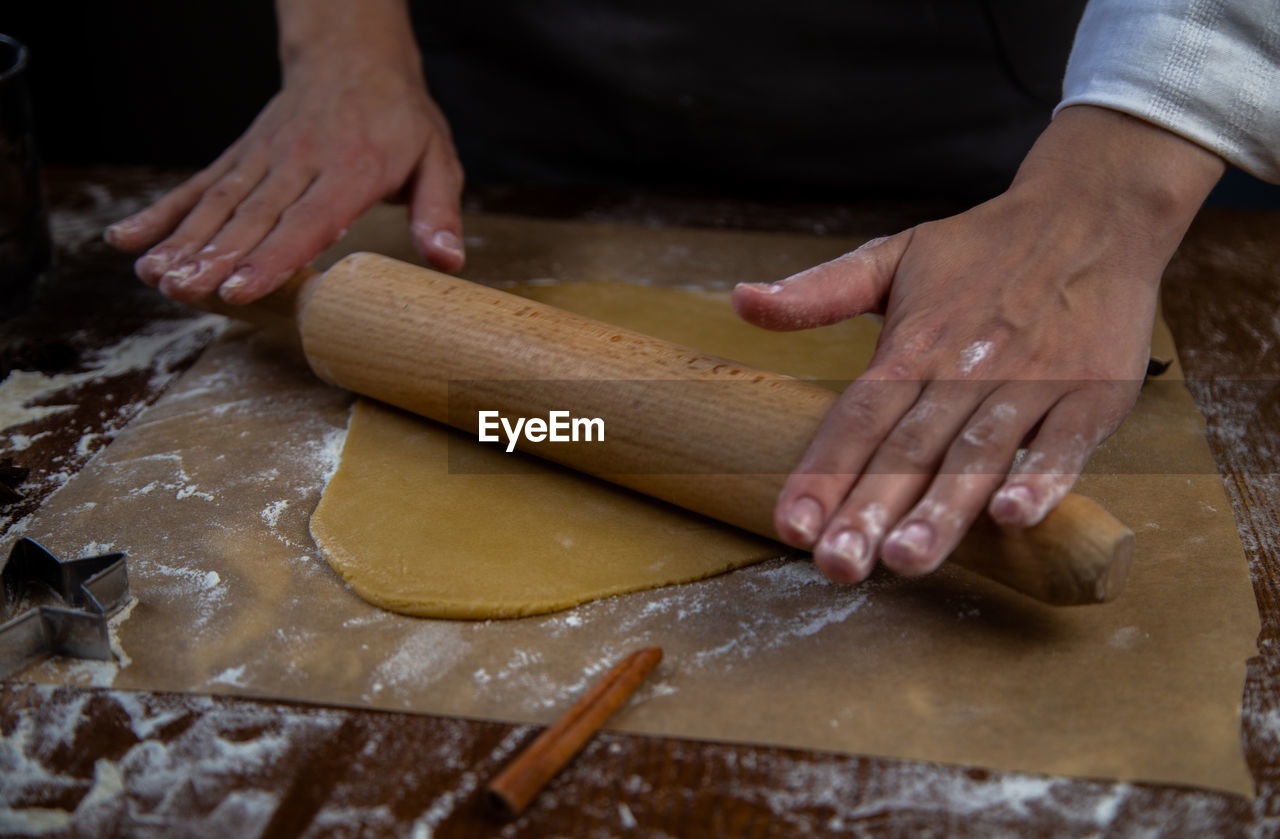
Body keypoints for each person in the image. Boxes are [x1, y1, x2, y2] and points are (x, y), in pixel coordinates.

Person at [104, 0, 1278, 585]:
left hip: (984, 121)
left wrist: (1114, 184)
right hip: (527, 104)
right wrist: (342, 40)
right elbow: (552, 416)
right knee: (522, 412)